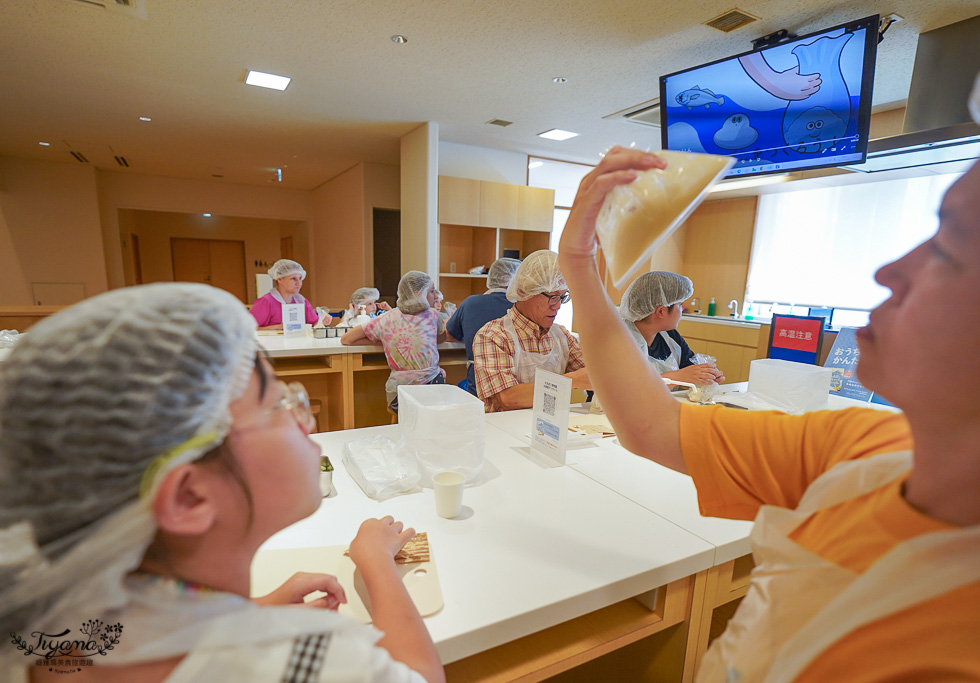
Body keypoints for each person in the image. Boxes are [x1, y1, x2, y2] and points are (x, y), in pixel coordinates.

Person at [558, 144, 980, 681]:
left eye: (948, 250)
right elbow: (654, 425)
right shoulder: (865, 447)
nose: (889, 270)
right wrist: (577, 263)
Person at [0, 283, 444, 683]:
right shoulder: (292, 662)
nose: (305, 422)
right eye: (277, 404)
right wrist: (377, 562)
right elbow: (421, 676)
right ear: (190, 497)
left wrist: (252, 610)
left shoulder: (66, 627)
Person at [473, 250, 591, 412]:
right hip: (503, 432)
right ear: (523, 292)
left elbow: (591, 374)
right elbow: (509, 398)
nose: (557, 306)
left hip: (547, 429)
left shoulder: (561, 336)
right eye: (552, 296)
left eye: (562, 297)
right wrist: (572, 380)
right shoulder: (493, 336)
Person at [341, 271, 447, 413]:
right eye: (432, 291)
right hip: (431, 390)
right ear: (418, 293)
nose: (435, 296)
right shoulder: (434, 315)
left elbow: (347, 339)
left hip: (399, 395)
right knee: (442, 376)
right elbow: (441, 338)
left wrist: (388, 340)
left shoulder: (386, 318)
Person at [619, 271, 725, 386]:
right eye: (679, 305)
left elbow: (688, 368)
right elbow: (622, 389)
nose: (682, 310)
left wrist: (705, 375)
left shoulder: (670, 336)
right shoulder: (618, 341)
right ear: (661, 311)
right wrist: (676, 377)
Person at [446, 257, 521, 395]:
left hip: (478, 386)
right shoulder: (521, 306)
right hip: (515, 384)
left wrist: (472, 336)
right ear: (509, 279)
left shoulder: (470, 303)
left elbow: (450, 333)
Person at [250, 258, 319, 330]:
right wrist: (277, 327)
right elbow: (247, 329)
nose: (298, 283)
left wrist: (322, 321)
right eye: (293, 279)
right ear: (279, 279)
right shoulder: (266, 302)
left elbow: (313, 324)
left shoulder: (301, 301)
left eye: (300, 278)